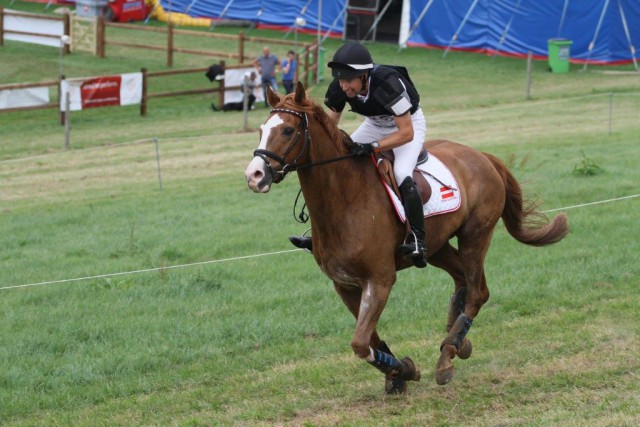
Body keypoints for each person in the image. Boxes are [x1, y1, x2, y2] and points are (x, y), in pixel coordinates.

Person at [289, 42, 428, 268]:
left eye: (349, 80)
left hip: (407, 125)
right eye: (341, 80)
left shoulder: (388, 83)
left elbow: (406, 132)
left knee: (402, 173)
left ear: (365, 75)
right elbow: (329, 129)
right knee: (339, 163)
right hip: (374, 124)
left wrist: (373, 146)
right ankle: (320, 235)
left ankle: (417, 240)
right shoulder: (339, 87)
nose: (344, 86)